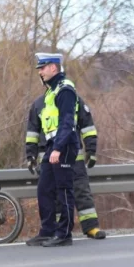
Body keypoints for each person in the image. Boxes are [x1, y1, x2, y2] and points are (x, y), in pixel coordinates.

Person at [26, 81, 106, 240]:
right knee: (54, 194)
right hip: (48, 156)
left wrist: (91, 150)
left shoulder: (73, 99)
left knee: (81, 190)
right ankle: (58, 230)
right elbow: (32, 133)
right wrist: (30, 156)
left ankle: (91, 226)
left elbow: (87, 126)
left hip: (73, 154)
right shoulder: (38, 104)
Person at [24, 52, 80, 247]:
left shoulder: (65, 90)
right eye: (39, 68)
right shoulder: (51, 92)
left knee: (64, 190)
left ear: (54, 68)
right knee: (44, 189)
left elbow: (67, 122)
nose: (40, 72)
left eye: (42, 68)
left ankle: (64, 234)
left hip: (64, 145)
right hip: (52, 145)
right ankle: (47, 231)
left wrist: (58, 148)